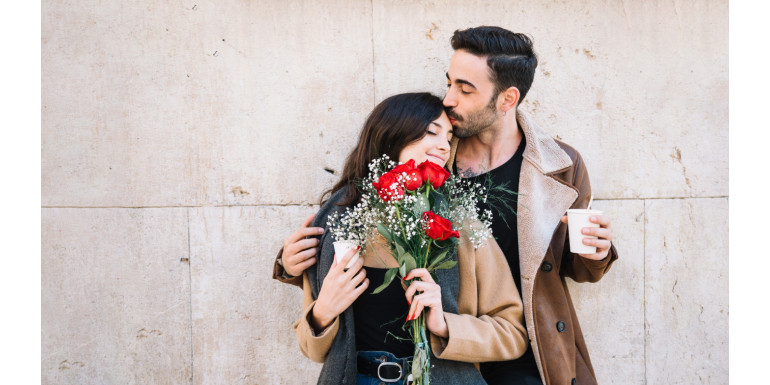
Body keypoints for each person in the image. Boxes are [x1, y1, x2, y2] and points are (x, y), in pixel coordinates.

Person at [275, 27, 619, 385]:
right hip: (432, 358)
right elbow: (346, 248)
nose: (449, 98)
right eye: (449, 82)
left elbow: (569, 266)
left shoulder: (558, 166)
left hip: (521, 350)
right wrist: (291, 263)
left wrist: (597, 254)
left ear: (507, 98)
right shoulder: (430, 164)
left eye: (465, 88)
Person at [288, 92, 529, 385]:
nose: (444, 145)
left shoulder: (462, 225)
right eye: (432, 132)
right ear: (393, 135)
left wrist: (445, 326)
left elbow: (512, 333)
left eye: (449, 136)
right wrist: (323, 311)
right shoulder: (337, 223)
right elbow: (312, 351)